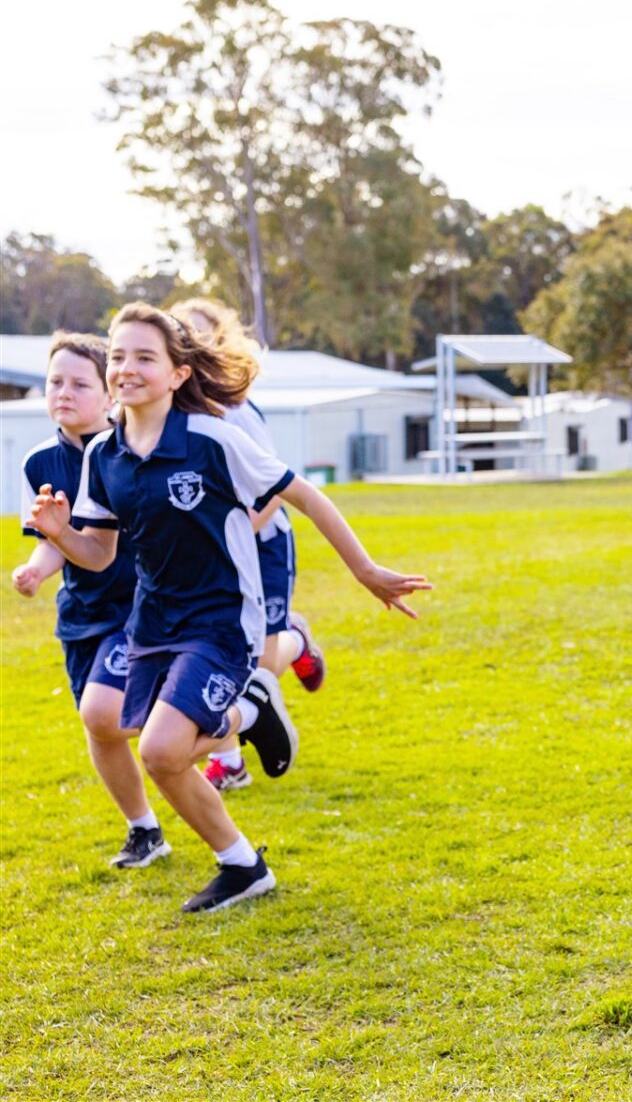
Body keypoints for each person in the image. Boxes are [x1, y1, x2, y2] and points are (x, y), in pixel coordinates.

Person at [29, 303, 430, 912]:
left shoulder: (213, 440)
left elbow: (304, 494)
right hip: (153, 623)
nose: (126, 368)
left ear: (178, 374)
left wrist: (365, 569)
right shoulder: (102, 457)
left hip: (222, 622)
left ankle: (247, 716)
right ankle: (243, 863)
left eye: (145, 357)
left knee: (161, 749)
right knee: (152, 747)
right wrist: (59, 535)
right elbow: (100, 556)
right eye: (117, 356)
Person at [12, 333, 166, 869]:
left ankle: (219, 724)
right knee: (98, 724)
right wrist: (34, 571)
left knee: (108, 712)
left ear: (108, 395)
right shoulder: (39, 462)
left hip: (140, 610)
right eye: (56, 382)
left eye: (80, 383)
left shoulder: (131, 452)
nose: (64, 393)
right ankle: (144, 829)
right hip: (82, 615)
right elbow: (58, 542)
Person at [171, 298, 326, 795]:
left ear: (221, 343)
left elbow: (276, 490)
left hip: (262, 544)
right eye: (180, 335)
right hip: (214, 555)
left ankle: (296, 640)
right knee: (217, 657)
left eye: (199, 335)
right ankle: (231, 763)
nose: (190, 344)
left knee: (255, 662)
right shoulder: (172, 414)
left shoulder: (237, 411)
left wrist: (232, 532)